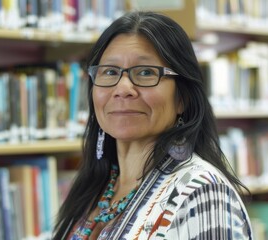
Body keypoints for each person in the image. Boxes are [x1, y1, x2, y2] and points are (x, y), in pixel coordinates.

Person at [53, 11, 253, 240]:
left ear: (183, 98)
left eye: (146, 72)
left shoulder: (202, 192)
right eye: (109, 71)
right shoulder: (94, 188)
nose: (122, 88)